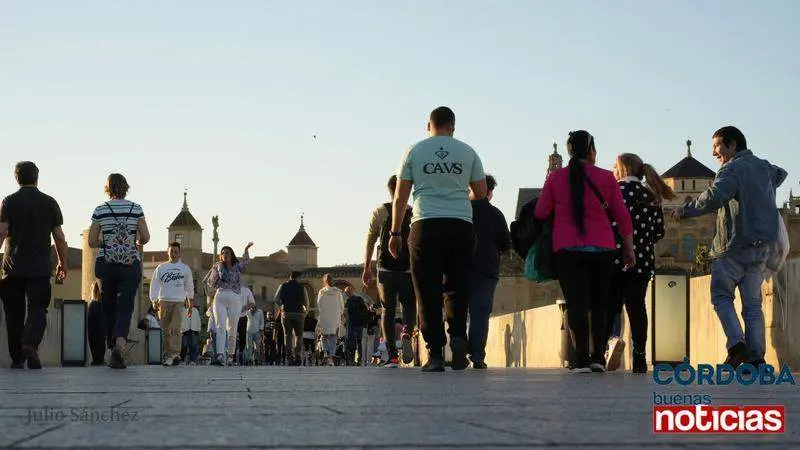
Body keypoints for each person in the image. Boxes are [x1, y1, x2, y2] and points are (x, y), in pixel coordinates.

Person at [672, 126, 787, 368]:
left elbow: (713, 196)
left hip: (733, 246)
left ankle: (737, 346)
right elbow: (780, 174)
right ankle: (755, 358)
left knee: (721, 297)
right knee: (752, 305)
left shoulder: (732, 169)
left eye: (717, 146)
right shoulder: (763, 166)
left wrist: (683, 210)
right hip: (760, 248)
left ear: (733, 145)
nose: (714, 152)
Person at [389, 106, 487, 372]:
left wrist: (396, 232)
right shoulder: (468, 152)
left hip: (425, 224)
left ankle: (434, 354)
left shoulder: (414, 151)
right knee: (457, 285)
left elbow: (400, 197)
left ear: (428, 125)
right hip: (460, 225)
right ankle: (457, 336)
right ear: (453, 127)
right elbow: (481, 192)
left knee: (427, 290)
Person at [534, 131, 635, 374]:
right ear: (591, 151)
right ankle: (597, 357)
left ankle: (580, 360)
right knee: (600, 303)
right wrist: (629, 248)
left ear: (570, 151)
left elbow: (540, 212)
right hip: (603, 248)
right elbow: (622, 217)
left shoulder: (556, 178)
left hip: (567, 249)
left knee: (576, 304)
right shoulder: (606, 177)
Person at [604, 153, 673, 373]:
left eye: (615, 167)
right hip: (642, 261)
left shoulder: (612, 193)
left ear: (622, 169)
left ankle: (610, 343)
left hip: (613, 259)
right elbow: (659, 231)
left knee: (612, 305)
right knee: (637, 306)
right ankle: (640, 356)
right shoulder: (650, 195)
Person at [0, 161, 68, 369]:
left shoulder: (9, 201)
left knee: (14, 313)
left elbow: (2, 231)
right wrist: (63, 264)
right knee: (38, 308)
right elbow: (59, 237)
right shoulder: (49, 203)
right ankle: (29, 343)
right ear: (37, 177)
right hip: (39, 267)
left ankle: (17, 358)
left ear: (16, 178)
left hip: (13, 267)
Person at [88, 173, 150, 369]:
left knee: (108, 307)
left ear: (107, 188)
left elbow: (91, 241)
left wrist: (107, 242)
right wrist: (135, 240)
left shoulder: (100, 210)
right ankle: (120, 343)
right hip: (129, 263)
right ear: (126, 187)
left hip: (106, 264)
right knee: (125, 307)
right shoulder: (136, 208)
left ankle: (112, 345)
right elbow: (145, 237)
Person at [362, 175, 417, 368]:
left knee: (387, 310)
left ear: (389, 190)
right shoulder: (414, 212)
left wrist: (367, 266)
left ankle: (392, 356)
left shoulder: (381, 211)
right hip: (408, 268)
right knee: (410, 306)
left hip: (385, 267)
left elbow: (370, 240)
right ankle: (408, 331)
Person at [468, 174, 511, 369]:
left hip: (461, 268)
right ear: (490, 192)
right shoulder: (496, 214)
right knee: (480, 313)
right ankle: (477, 355)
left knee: (458, 310)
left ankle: (458, 347)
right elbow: (505, 243)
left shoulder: (461, 212)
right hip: (487, 268)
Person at [202, 242, 253, 366]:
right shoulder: (217, 266)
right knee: (220, 326)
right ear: (221, 256)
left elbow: (246, 262)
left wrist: (246, 249)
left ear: (231, 255)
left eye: (227, 253)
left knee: (232, 328)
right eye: (222, 253)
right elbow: (211, 282)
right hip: (220, 296)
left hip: (235, 297)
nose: (225, 255)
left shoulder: (236, 266)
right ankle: (219, 354)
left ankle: (230, 356)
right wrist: (219, 278)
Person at [149, 242, 195, 366]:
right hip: (163, 301)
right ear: (168, 252)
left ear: (179, 253)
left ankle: (176, 354)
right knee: (165, 330)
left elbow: (190, 287)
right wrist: (154, 300)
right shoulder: (161, 268)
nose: (173, 254)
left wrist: (190, 305)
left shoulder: (185, 268)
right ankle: (168, 356)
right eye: (171, 251)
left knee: (176, 328)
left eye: (176, 251)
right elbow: (154, 284)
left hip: (179, 302)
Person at [274, 271, 309, 366]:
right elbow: (306, 303)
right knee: (299, 335)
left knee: (287, 335)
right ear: (298, 278)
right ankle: (297, 356)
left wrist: (282, 306)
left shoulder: (283, 286)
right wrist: (305, 312)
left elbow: (276, 299)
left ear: (290, 277)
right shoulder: (302, 288)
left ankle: (289, 358)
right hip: (299, 314)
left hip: (286, 314)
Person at [317, 274, 345, 366]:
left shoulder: (321, 292)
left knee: (324, 336)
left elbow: (319, 304)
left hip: (325, 316)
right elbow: (342, 306)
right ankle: (331, 357)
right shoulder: (338, 292)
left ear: (324, 281)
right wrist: (339, 314)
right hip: (335, 317)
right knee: (333, 337)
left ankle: (325, 351)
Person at [344, 286, 368, 366]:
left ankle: (353, 359)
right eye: (347, 292)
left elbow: (346, 313)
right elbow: (366, 309)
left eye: (348, 292)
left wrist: (346, 323)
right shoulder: (360, 299)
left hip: (353, 324)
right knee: (358, 342)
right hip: (359, 324)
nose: (348, 293)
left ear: (351, 291)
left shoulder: (349, 301)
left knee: (353, 342)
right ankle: (359, 360)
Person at [87, 281, 106, 366]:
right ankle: (100, 360)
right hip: (101, 331)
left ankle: (96, 360)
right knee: (101, 341)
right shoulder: (103, 305)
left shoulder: (92, 305)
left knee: (93, 341)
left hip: (93, 332)